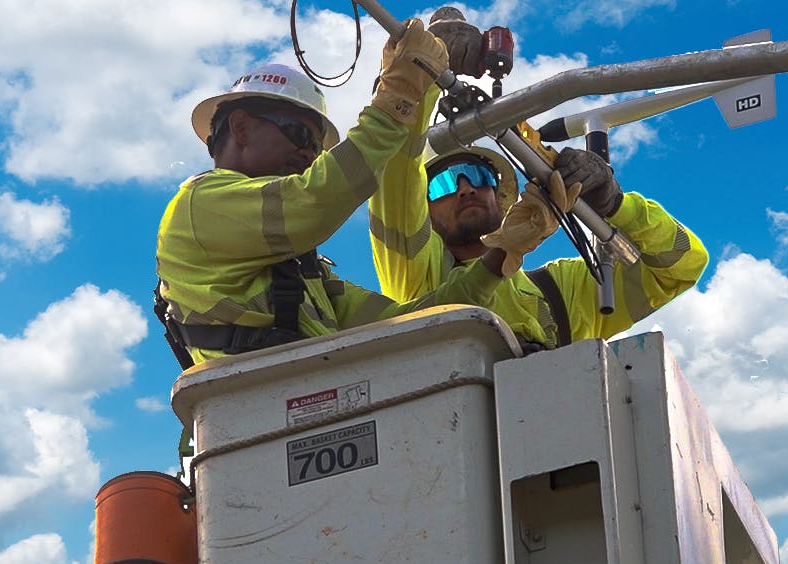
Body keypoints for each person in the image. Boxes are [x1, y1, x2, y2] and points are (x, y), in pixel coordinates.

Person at [156, 20, 559, 365]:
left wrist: (501, 254)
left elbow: (411, 322)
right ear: (241, 128)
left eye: (316, 147)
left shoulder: (299, 271)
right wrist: (398, 95)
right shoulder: (200, 206)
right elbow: (317, 199)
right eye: (299, 134)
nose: (308, 154)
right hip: (259, 418)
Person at [368, 11, 709, 351]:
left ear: (501, 198)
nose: (465, 188)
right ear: (420, 210)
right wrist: (419, 70)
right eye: (441, 184)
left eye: (476, 175)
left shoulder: (566, 291)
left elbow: (683, 266)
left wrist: (614, 203)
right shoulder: (416, 275)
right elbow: (393, 170)